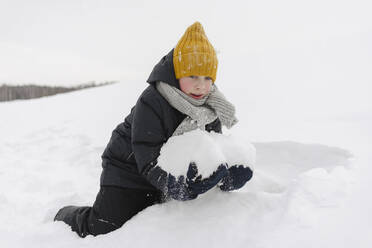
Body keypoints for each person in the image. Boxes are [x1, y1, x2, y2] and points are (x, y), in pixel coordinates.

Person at [54, 21, 253, 238]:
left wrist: (225, 177)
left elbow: (211, 150)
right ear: (178, 74)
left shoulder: (210, 107)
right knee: (105, 229)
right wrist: (179, 187)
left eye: (207, 78)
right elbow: (147, 155)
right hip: (127, 171)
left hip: (164, 177)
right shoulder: (154, 100)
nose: (200, 85)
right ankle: (66, 216)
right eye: (192, 76)